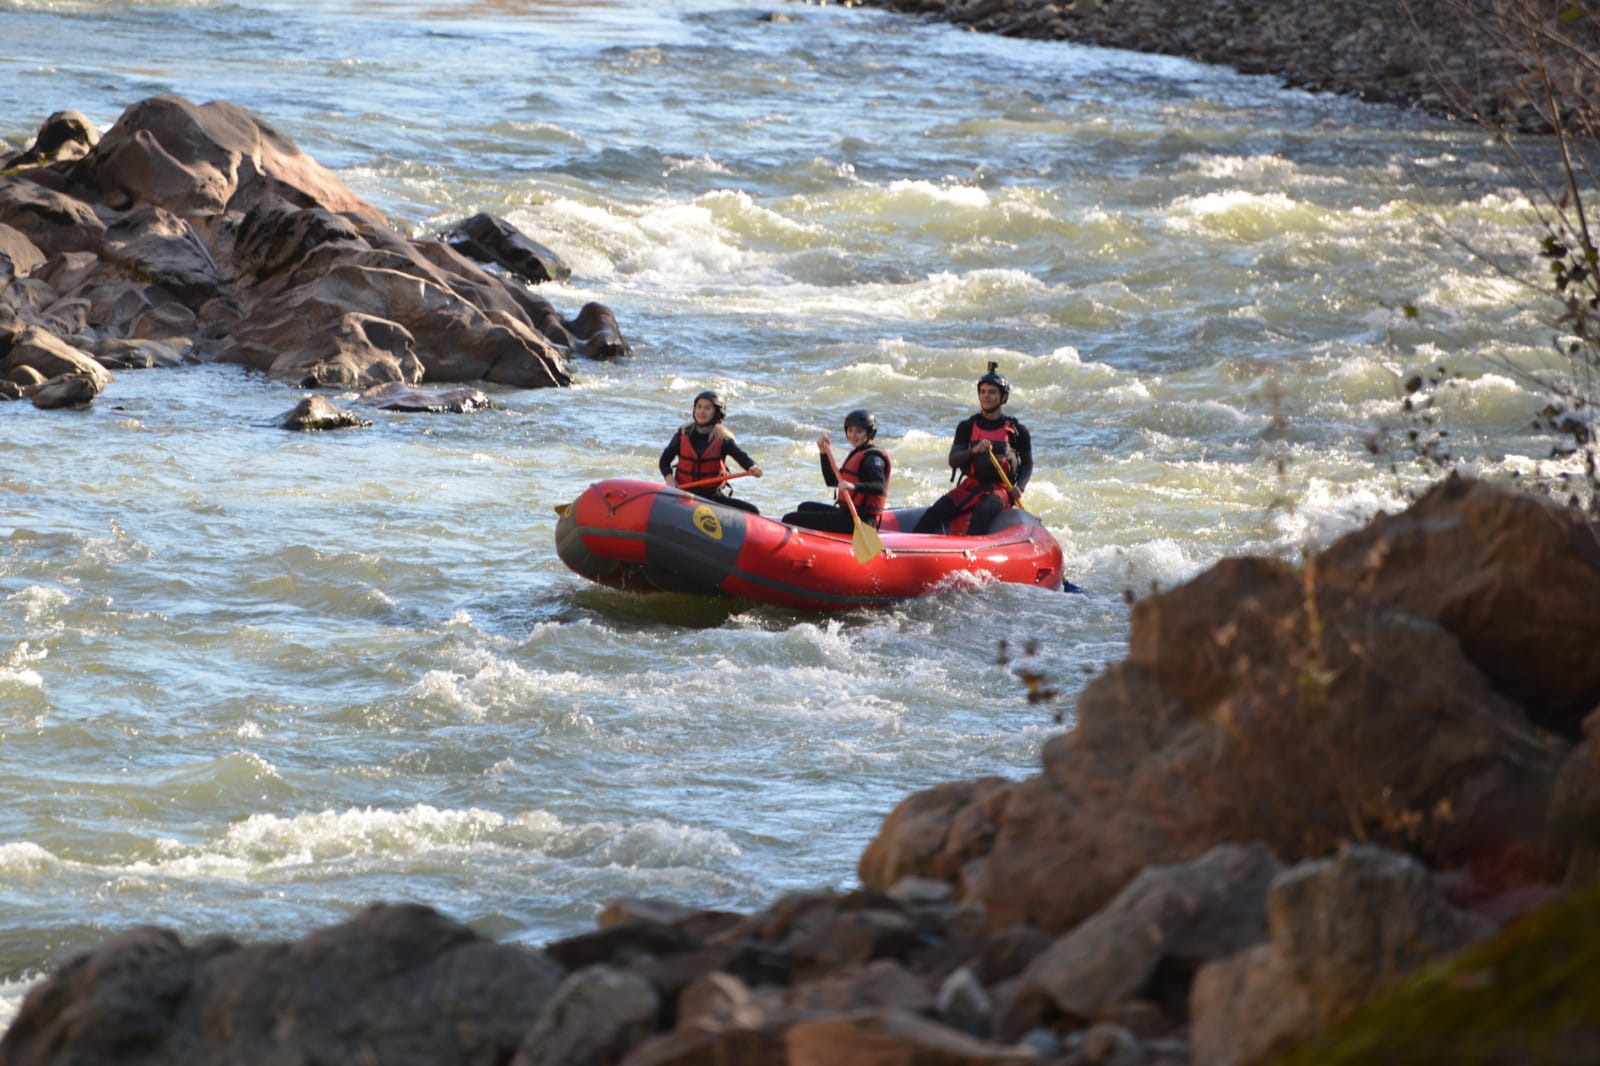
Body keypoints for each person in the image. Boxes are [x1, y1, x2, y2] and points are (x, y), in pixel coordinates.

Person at [912, 362, 1032, 536]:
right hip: (971, 485)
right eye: (983, 392)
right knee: (934, 513)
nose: (986, 396)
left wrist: (1019, 488)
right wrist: (973, 451)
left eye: (992, 392)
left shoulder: (1017, 430)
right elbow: (953, 460)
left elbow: (1027, 464)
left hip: (1000, 489)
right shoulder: (967, 427)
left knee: (983, 513)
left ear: (1003, 397)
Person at [782, 409, 891, 533]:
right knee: (804, 506)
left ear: (870, 433)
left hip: (860, 521)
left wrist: (852, 486)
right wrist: (823, 453)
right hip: (847, 513)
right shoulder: (860, 453)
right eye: (850, 430)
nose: (853, 435)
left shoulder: (872, 458)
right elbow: (831, 481)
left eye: (859, 431)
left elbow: (879, 486)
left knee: (789, 519)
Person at [659, 389, 764, 513]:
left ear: (717, 413)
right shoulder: (683, 433)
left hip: (712, 497)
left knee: (752, 511)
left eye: (707, 408)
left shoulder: (723, 438)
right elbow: (664, 460)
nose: (702, 411)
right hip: (683, 494)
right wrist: (669, 479)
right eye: (699, 407)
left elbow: (742, 457)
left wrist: (753, 467)